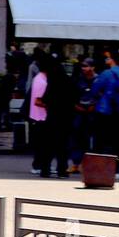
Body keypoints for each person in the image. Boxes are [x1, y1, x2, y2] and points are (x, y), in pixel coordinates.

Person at [30, 50, 72, 178]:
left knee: (48, 145)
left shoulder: (51, 83)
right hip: (65, 117)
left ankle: (45, 169)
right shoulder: (66, 81)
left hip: (52, 116)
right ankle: (62, 170)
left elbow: (44, 100)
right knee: (62, 146)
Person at [90, 49, 119, 164]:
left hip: (104, 111)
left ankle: (98, 166)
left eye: (108, 58)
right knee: (116, 141)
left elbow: (94, 91)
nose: (106, 60)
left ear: (112, 60)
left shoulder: (106, 74)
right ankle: (116, 168)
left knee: (99, 140)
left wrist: (101, 95)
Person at [69, 58, 97, 174]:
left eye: (86, 66)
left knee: (92, 139)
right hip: (79, 112)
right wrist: (75, 106)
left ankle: (89, 164)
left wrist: (95, 106)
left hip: (93, 113)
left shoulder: (98, 80)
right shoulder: (78, 80)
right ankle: (76, 164)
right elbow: (72, 94)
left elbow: (101, 95)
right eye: (83, 66)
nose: (84, 68)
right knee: (76, 137)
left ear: (93, 67)